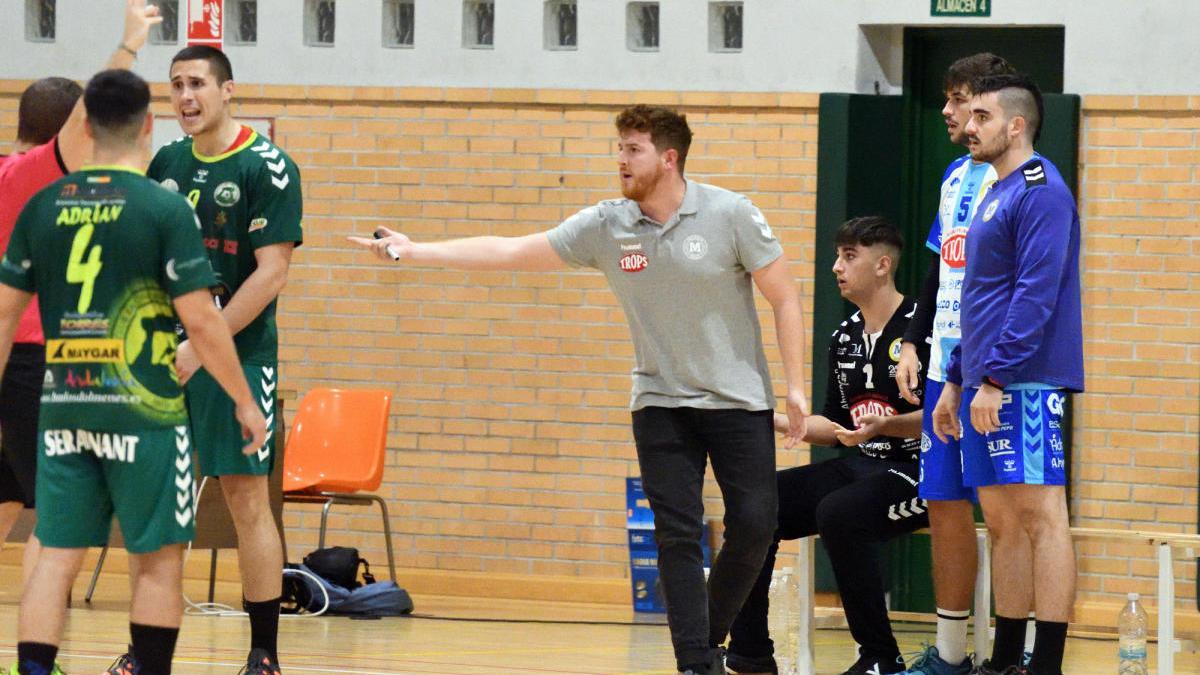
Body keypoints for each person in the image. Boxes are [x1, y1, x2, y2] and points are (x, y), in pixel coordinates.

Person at [353, 104, 809, 675]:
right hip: (660, 403)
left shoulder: (729, 214)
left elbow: (785, 297)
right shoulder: (606, 226)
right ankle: (695, 662)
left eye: (633, 148)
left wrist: (794, 387)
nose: (620, 158)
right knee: (676, 530)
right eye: (618, 146)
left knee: (755, 524)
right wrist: (415, 250)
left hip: (738, 401)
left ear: (668, 158)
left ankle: (708, 635)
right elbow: (512, 250)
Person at [0, 68, 267, 675]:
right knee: (157, 560)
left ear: (85, 128)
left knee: (55, 554)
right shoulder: (162, 207)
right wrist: (245, 402)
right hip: (143, 410)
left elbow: (5, 315)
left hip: (64, 405)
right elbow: (201, 322)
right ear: (149, 124)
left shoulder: (43, 206)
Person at [121, 44, 303, 675]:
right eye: (175, 86)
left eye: (197, 83)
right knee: (153, 502)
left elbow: (271, 274)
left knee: (246, 499)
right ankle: (145, 650)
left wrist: (204, 346)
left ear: (229, 91)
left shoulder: (268, 166)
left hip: (238, 356)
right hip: (163, 357)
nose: (185, 97)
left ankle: (264, 653)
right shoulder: (166, 162)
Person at [0, 0, 165, 595]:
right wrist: (128, 47)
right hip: (32, 362)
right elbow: (85, 120)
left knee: (12, 501)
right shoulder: (31, 174)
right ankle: (36, 657)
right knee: (54, 514)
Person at [725, 217, 929, 675]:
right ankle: (751, 650)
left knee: (840, 512)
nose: (837, 266)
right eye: (837, 255)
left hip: (921, 473)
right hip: (862, 464)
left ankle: (880, 657)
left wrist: (885, 427)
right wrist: (768, 420)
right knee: (760, 502)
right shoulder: (844, 337)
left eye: (849, 256)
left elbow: (939, 418)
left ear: (882, 265)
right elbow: (835, 424)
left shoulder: (923, 329)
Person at [933, 72, 1083, 675]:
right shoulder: (993, 190)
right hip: (982, 380)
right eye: (969, 117)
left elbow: (1034, 292)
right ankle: (1003, 659)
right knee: (999, 522)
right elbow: (982, 298)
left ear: (1015, 125)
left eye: (982, 117)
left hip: (1023, 379)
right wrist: (956, 379)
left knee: (1042, 517)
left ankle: (1044, 663)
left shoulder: (1041, 190)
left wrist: (994, 377)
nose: (969, 127)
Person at [893, 54, 1025, 675]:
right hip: (947, 368)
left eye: (959, 100)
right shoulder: (953, 177)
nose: (948, 112)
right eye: (947, 100)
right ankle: (949, 655)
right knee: (945, 502)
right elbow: (936, 269)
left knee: (1010, 511)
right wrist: (914, 342)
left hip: (996, 371)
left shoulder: (1020, 182)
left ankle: (1018, 650)